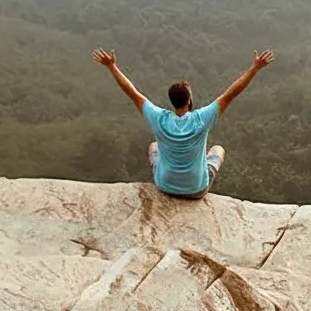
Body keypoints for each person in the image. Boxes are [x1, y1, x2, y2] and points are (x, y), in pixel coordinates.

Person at [92, 47, 274, 198]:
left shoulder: (159, 118)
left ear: (172, 101)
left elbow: (132, 93)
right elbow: (230, 95)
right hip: (196, 190)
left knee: (153, 146)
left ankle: (172, 175)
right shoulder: (201, 119)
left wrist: (111, 67)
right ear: (189, 101)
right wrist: (255, 68)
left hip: (165, 187)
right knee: (218, 150)